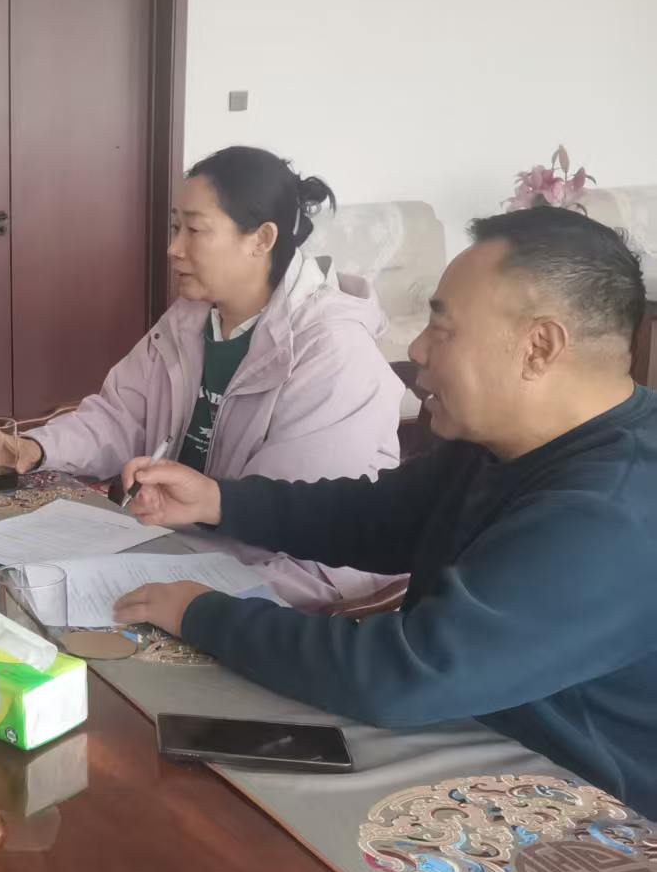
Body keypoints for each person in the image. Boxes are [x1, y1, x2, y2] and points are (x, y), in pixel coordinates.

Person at [115, 206, 657, 819]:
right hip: (461, 738)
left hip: (579, 813)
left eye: (443, 329)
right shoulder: (505, 443)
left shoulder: (614, 512)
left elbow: (405, 672)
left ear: (539, 347)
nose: (418, 349)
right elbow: (379, 516)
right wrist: (218, 501)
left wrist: (199, 613)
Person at [0, 146, 405, 607]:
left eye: (194, 230)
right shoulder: (191, 318)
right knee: (8, 582)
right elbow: (120, 416)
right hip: (184, 547)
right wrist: (35, 449)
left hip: (292, 573)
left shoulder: (332, 351)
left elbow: (283, 515)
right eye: (176, 228)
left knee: (64, 609)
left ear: (261, 239)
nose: (174, 248)